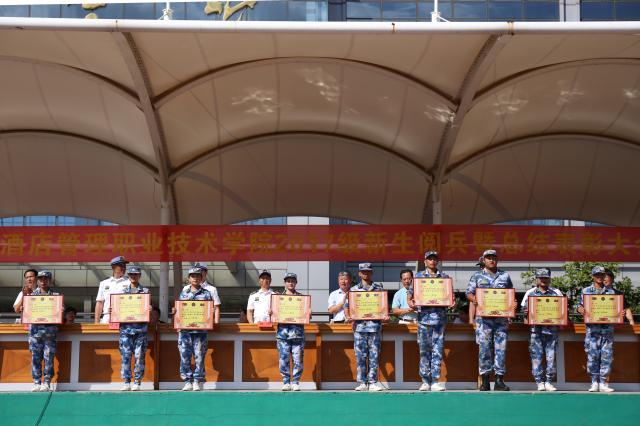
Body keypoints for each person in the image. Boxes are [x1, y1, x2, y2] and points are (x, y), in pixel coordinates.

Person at [466, 249, 514, 391]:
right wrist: (475, 299)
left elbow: (510, 294)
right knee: (484, 349)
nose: (491, 260)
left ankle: (499, 380)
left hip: (501, 319)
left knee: (501, 349)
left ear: (497, 259)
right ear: (484, 260)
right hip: (483, 320)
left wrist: (512, 306)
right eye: (488, 258)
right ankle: (485, 380)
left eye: (494, 257)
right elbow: (468, 293)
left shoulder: (505, 276)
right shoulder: (477, 276)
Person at [407, 251, 449, 391]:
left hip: (439, 320)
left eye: (434, 259)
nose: (432, 261)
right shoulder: (418, 277)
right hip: (424, 320)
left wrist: (451, 301)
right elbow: (410, 295)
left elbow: (450, 296)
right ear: (425, 261)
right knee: (424, 351)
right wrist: (411, 302)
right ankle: (425, 380)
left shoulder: (444, 277)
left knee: (437, 351)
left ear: (437, 261)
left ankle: (435, 380)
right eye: (429, 259)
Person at [344, 263, 386, 392]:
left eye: (368, 271)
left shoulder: (378, 289)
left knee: (374, 355)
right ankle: (362, 382)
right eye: (363, 272)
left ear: (371, 272)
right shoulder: (353, 290)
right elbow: (347, 306)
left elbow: (383, 306)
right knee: (360, 356)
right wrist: (348, 316)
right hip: (359, 328)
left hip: (374, 328)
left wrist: (384, 315)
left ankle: (372, 382)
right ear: (359, 273)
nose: (366, 274)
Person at [577, 266, 618, 392]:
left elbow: (616, 308)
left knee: (606, 356)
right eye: (597, 275)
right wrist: (580, 309)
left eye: (601, 275)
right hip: (592, 330)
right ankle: (594, 382)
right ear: (593, 276)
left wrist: (619, 313)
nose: (599, 277)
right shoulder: (585, 291)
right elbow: (579, 306)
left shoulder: (611, 292)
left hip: (607, 331)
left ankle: (603, 382)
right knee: (592, 356)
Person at [522, 268, 562, 392]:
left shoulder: (556, 293)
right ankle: (539, 382)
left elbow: (562, 310)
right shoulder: (530, 293)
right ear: (537, 279)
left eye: (546, 277)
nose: (543, 280)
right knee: (536, 357)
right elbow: (524, 311)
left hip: (551, 331)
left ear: (549, 279)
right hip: (536, 331)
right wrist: (526, 312)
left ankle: (549, 381)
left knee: (551, 357)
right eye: (541, 278)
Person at [176, 267, 213, 391]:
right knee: (184, 356)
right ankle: (187, 381)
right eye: (193, 276)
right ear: (188, 278)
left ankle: (197, 380)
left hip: (200, 332)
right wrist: (175, 312)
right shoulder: (183, 293)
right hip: (185, 332)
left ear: (202, 278)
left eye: (198, 276)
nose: (195, 278)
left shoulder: (207, 294)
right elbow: (180, 311)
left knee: (199, 356)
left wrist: (211, 313)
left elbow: (209, 312)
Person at [115, 265, 150, 391]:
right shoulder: (122, 292)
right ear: (128, 276)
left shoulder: (145, 291)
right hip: (126, 330)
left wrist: (149, 308)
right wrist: (113, 310)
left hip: (140, 330)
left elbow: (147, 308)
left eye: (135, 274)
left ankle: (137, 382)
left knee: (139, 357)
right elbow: (117, 308)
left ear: (139, 275)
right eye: (131, 274)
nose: (133, 276)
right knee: (126, 356)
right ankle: (126, 381)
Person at [28, 270, 60, 392]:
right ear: (38, 281)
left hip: (49, 334)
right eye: (40, 279)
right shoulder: (31, 296)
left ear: (50, 280)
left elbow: (60, 313)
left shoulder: (56, 296)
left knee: (48, 358)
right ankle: (36, 382)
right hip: (35, 333)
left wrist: (60, 310)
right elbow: (24, 312)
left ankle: (46, 382)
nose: (43, 281)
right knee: (35, 358)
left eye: (45, 279)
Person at [274, 272, 306, 391]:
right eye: (288, 281)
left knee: (298, 359)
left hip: (297, 334)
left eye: (292, 281)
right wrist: (272, 312)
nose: (290, 283)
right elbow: (273, 313)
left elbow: (307, 315)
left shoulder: (302, 298)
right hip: (283, 334)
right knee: (284, 359)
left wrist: (307, 312)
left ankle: (295, 382)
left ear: (296, 282)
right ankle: (286, 382)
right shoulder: (278, 298)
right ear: (285, 283)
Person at [94, 256, 129, 324]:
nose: (124, 268)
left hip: (124, 318)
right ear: (113, 267)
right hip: (107, 318)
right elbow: (100, 303)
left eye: (124, 266)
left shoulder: (129, 282)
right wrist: (96, 322)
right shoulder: (104, 283)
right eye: (121, 266)